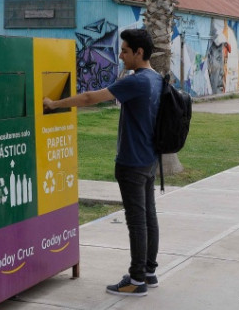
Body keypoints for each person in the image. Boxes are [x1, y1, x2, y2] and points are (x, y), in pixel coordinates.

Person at [44, 28, 162, 297]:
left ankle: (136, 279)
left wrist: (53, 103)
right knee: (148, 215)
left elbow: (90, 98)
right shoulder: (156, 79)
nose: (120, 55)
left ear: (139, 52)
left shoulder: (137, 81)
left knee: (137, 221)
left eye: (124, 50)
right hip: (149, 159)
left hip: (132, 161)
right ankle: (149, 271)